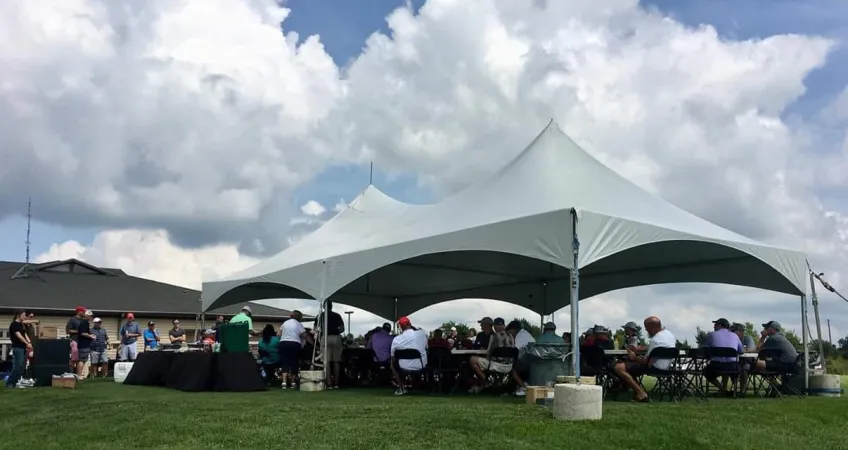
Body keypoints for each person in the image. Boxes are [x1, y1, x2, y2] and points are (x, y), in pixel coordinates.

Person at [613, 316, 676, 403]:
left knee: (619, 367)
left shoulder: (655, 340)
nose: (646, 331)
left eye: (647, 328)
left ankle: (640, 392)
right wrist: (639, 349)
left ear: (653, 328)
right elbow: (658, 347)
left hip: (654, 367)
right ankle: (636, 392)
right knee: (630, 367)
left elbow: (646, 362)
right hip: (667, 367)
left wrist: (634, 357)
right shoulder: (669, 335)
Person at [469, 317, 516, 394]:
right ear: (504, 325)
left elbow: (489, 353)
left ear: (494, 326)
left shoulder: (493, 336)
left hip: (496, 365)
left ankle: (489, 382)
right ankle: (493, 383)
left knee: (472, 359)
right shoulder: (511, 337)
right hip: (509, 366)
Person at [389, 316, 428, 396]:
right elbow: (426, 347)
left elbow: (393, 358)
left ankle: (401, 387)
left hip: (403, 367)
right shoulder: (421, 334)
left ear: (400, 327)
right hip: (421, 366)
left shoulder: (396, 339)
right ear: (410, 323)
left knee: (392, 365)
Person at [703, 318, 743, 394]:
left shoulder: (711, 335)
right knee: (739, 368)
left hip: (716, 366)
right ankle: (735, 389)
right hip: (732, 367)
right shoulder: (735, 336)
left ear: (720, 325)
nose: (714, 327)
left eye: (715, 325)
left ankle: (722, 388)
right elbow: (741, 351)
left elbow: (703, 348)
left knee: (706, 371)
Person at [314, 301, 345, 389]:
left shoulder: (320, 316)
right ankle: (336, 383)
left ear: (324, 307)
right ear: (332, 306)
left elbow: (316, 329)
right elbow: (342, 328)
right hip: (336, 337)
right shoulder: (337, 315)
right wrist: (336, 331)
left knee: (326, 361)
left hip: (325, 337)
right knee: (336, 361)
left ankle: (329, 383)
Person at [279, 311, 312, 389]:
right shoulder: (299, 324)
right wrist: (313, 344)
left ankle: (284, 382)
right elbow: (305, 336)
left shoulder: (285, 323)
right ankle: (293, 382)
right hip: (294, 343)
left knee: (285, 362)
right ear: (299, 317)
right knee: (294, 362)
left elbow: (279, 333)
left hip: (283, 343)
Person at [6, 311, 32, 389]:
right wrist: (27, 343)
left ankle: (16, 382)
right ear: (18, 315)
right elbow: (19, 336)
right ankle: (10, 383)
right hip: (17, 348)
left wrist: (29, 342)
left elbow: (25, 334)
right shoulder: (14, 324)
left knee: (21, 367)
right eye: (23, 315)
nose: (24, 316)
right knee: (17, 366)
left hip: (23, 347)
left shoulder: (21, 324)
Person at [76, 310, 96, 377]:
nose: (91, 317)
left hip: (83, 344)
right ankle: (79, 375)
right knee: (82, 360)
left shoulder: (84, 322)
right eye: (90, 316)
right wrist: (91, 336)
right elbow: (82, 333)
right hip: (83, 344)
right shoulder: (84, 322)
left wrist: (90, 335)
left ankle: (79, 375)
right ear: (87, 316)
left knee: (83, 360)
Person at [66, 306, 86, 371]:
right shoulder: (72, 320)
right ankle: (70, 374)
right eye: (83, 311)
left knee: (80, 360)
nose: (84, 313)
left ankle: (78, 376)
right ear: (79, 312)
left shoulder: (84, 320)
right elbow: (68, 331)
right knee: (73, 359)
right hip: (74, 341)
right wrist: (78, 331)